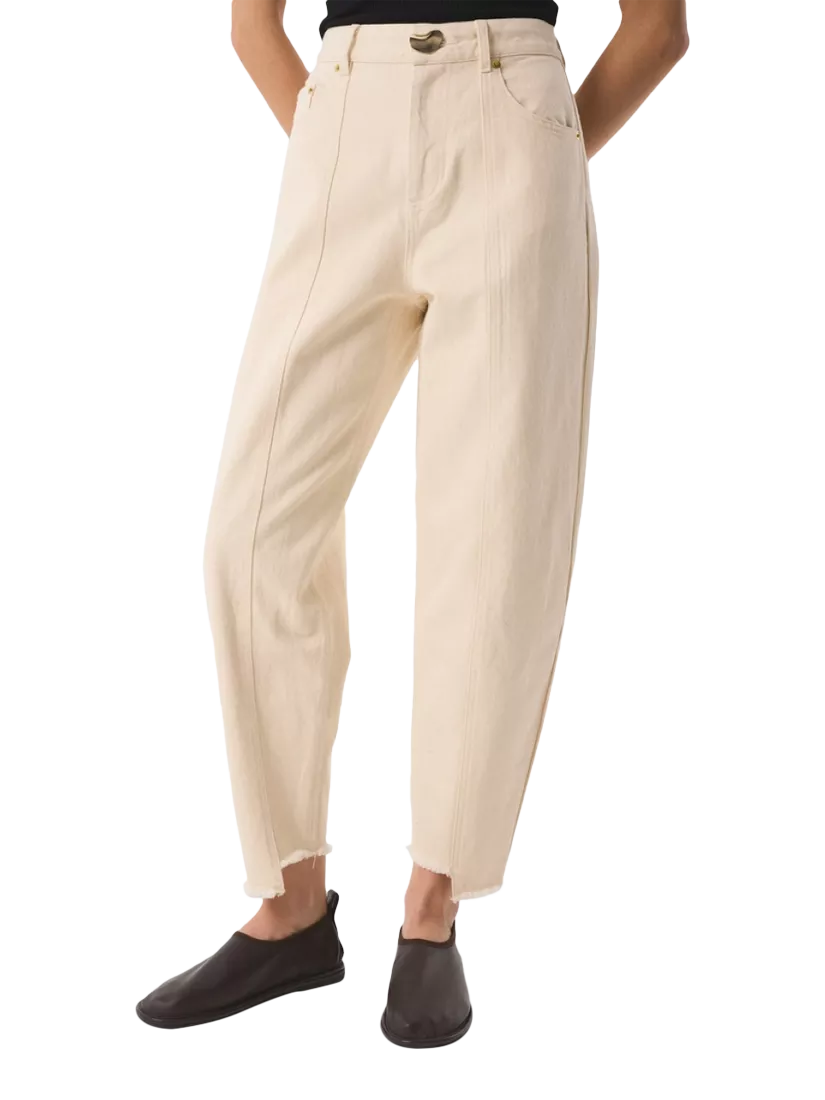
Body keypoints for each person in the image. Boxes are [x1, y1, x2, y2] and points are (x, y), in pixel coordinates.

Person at [135, 0, 688, 1047]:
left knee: (492, 540)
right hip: (347, 125)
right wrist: (342, 141)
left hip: (510, 116)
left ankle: (433, 909)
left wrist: (537, 153)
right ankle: (292, 905)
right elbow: (254, 26)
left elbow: (657, 27)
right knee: (251, 535)